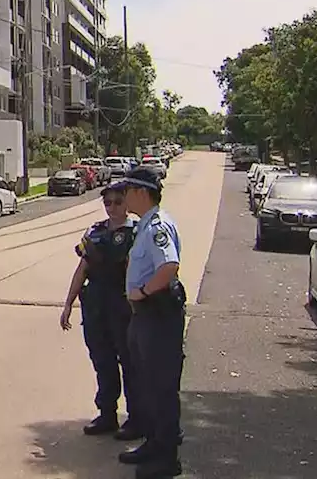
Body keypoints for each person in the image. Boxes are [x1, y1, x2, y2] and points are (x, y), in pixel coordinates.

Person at [110, 167, 187, 479]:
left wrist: (141, 291)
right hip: (145, 316)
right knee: (149, 385)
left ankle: (167, 458)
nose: (123, 196)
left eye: (127, 190)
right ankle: (154, 443)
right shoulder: (144, 224)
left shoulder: (157, 225)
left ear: (141, 192)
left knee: (163, 387)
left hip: (158, 314)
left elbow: (169, 266)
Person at [59, 184, 142, 441]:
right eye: (108, 203)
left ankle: (137, 418)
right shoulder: (94, 232)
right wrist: (68, 303)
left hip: (122, 304)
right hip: (95, 304)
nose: (113, 207)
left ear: (127, 204)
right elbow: (82, 268)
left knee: (129, 362)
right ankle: (107, 414)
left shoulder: (136, 232)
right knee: (102, 360)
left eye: (118, 202)